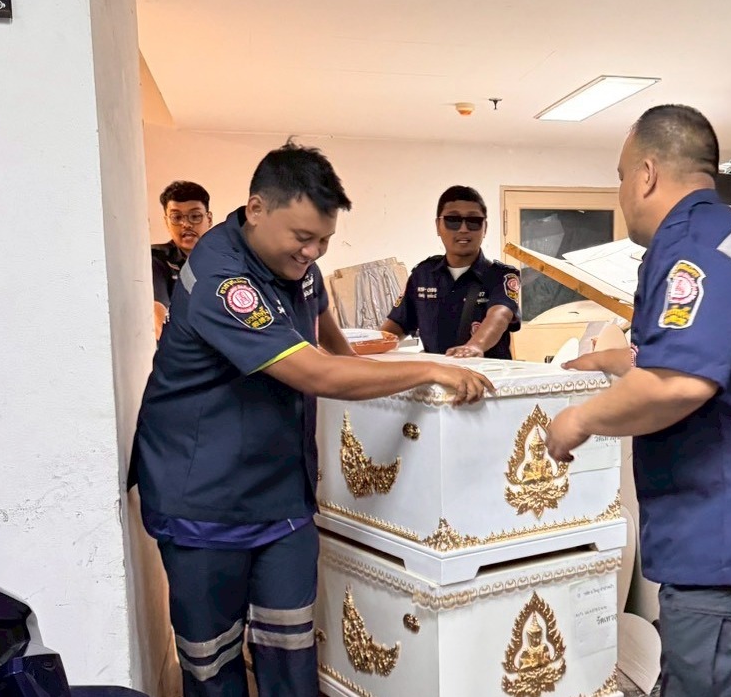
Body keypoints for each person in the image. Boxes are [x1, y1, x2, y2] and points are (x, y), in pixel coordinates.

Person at [128, 142, 493, 697]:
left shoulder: (301, 266)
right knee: (212, 659)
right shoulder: (224, 280)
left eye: (324, 239)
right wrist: (429, 369)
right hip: (204, 496)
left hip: (282, 491)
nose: (314, 251)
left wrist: (390, 382)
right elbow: (316, 373)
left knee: (291, 645)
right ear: (256, 209)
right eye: (303, 237)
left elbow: (334, 349)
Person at [544, 105, 731, 697]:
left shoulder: (693, 248)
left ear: (647, 175)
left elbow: (681, 383)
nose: (622, 193)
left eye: (621, 176)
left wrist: (578, 420)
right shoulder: (725, 236)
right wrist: (617, 363)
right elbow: (703, 359)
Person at [382, 185, 521, 359]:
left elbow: (500, 315)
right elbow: (397, 326)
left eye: (474, 221)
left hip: (485, 373)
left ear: (485, 227)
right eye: (453, 220)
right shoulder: (423, 275)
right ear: (438, 226)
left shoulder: (501, 276)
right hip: (437, 373)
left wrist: (475, 346)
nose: (463, 229)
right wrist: (365, 346)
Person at [152, 180, 213, 339]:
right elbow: (157, 318)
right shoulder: (156, 259)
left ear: (209, 219)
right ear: (167, 222)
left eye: (195, 216)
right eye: (176, 217)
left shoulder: (231, 261)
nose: (186, 224)